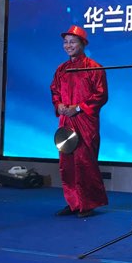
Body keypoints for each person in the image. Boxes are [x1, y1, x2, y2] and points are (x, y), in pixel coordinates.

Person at [50, 25, 109, 218]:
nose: (68, 45)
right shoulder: (61, 69)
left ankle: (88, 204)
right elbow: (55, 90)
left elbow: (101, 95)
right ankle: (73, 203)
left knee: (85, 162)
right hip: (66, 121)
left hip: (85, 122)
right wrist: (59, 104)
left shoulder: (94, 67)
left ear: (83, 43)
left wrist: (78, 108)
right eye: (65, 42)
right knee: (66, 163)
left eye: (72, 42)